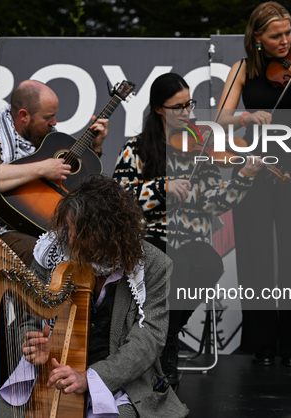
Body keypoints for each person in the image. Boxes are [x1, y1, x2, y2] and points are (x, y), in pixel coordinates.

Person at [113, 72, 263, 384]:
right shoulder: (136, 148)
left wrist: (244, 176)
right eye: (177, 107)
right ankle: (164, 349)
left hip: (189, 237)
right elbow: (119, 199)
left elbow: (215, 203)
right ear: (158, 109)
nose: (186, 113)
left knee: (210, 263)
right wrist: (162, 187)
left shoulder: (200, 146)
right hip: (148, 237)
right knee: (175, 263)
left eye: (188, 104)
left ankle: (163, 339)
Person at [215, 1, 291, 367]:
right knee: (254, 253)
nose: (285, 41)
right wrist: (245, 117)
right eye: (276, 35)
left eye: (288, 33)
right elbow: (222, 118)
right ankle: (262, 344)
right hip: (252, 167)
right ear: (257, 38)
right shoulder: (241, 69)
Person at [20, 174, 189, 417]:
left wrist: (90, 378)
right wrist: (34, 343)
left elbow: (150, 337)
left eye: (77, 232)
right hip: (53, 371)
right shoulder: (52, 251)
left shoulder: (153, 264)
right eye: (67, 227)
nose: (68, 238)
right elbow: (29, 314)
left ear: (105, 233)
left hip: (120, 379)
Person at [0, 79, 108, 266]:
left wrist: (95, 148)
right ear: (24, 115)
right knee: (35, 252)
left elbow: (78, 182)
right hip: (6, 231)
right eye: (47, 117)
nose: (54, 122)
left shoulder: (49, 139)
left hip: (48, 228)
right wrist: (42, 169)